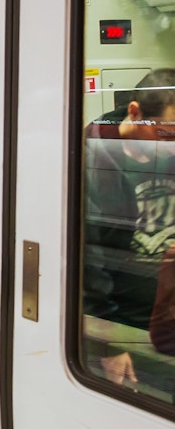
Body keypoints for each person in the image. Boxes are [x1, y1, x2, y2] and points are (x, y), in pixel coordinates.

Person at [82, 69, 175, 388]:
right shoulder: (93, 160)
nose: (172, 144)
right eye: (164, 133)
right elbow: (88, 259)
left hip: (167, 317)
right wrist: (106, 343)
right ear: (135, 112)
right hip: (125, 328)